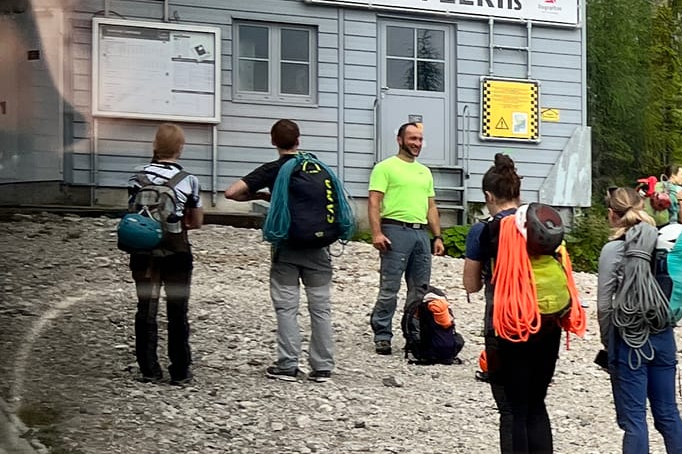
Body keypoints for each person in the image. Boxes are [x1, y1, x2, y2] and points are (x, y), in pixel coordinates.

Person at [462, 154, 582, 454]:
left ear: (489, 195)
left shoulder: (485, 230)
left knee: (512, 408)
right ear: (518, 192)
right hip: (548, 322)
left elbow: (470, 284)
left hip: (508, 325)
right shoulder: (540, 224)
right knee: (536, 403)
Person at [585, 183, 682, 454]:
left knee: (633, 417)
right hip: (663, 335)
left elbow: (605, 305)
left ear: (612, 214)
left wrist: (608, 342)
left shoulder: (614, 250)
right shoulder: (659, 244)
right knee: (667, 411)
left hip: (630, 339)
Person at [222, 118, 352, 379]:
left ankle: (287, 365)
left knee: (287, 308)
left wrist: (261, 195)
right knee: (321, 309)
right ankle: (322, 367)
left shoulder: (274, 169)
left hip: (287, 248)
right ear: (298, 140)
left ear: (273, 141)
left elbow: (231, 193)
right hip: (319, 248)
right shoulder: (317, 167)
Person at [124, 122, 202, 384]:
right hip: (176, 249)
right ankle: (180, 371)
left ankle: (149, 369)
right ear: (180, 148)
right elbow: (196, 221)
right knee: (177, 310)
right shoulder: (189, 180)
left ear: (155, 145)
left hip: (143, 248)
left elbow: (132, 211)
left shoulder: (137, 177)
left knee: (146, 307)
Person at [367, 118, 444, 356]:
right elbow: (374, 201)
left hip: (420, 233)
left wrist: (437, 236)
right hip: (395, 231)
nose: (417, 143)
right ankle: (382, 335)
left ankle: (414, 334)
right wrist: (376, 232)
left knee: (420, 289)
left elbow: (431, 206)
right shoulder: (385, 167)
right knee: (390, 287)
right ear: (400, 140)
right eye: (412, 138)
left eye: (420, 139)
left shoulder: (424, 172)